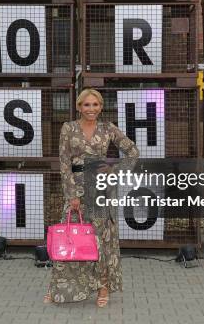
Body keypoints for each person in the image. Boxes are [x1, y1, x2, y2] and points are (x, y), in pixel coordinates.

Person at [44, 88, 139, 308]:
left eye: (95, 105)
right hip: (75, 187)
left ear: (101, 107)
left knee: (101, 240)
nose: (91, 109)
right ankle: (58, 287)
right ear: (79, 106)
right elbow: (64, 162)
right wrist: (72, 194)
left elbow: (132, 152)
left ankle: (103, 287)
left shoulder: (108, 128)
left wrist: (113, 170)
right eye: (87, 105)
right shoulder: (68, 128)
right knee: (70, 237)